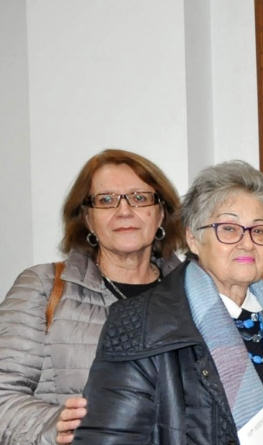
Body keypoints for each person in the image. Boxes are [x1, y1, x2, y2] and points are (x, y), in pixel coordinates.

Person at [73, 161, 263, 444]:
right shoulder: (140, 325)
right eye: (228, 228)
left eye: (259, 230)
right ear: (193, 238)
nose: (247, 243)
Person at [0, 149, 184, 445]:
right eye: (106, 200)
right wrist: (53, 425)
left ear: (161, 213)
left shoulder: (193, 294)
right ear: (87, 218)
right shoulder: (42, 287)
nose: (124, 211)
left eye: (139, 198)